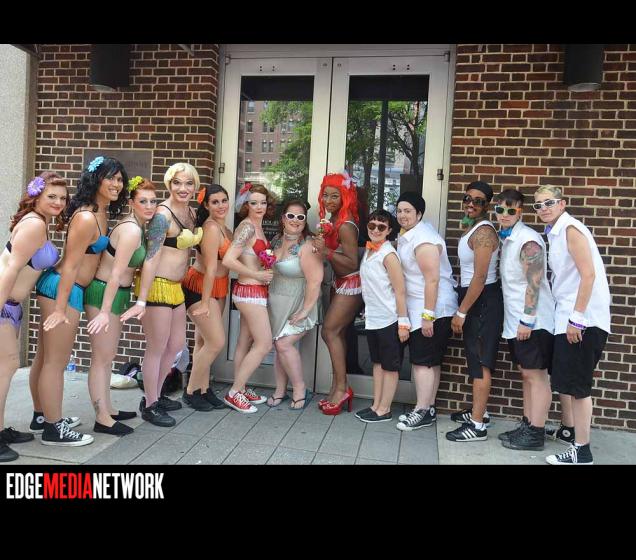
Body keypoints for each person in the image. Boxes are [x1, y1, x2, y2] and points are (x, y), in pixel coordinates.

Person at [30, 155, 128, 446]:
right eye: (110, 178)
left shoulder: (99, 212)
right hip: (63, 288)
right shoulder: (86, 217)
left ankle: (42, 416)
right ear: (95, 180)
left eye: (120, 179)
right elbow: (71, 265)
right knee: (55, 362)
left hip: (67, 288)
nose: (116, 184)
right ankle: (53, 428)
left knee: (45, 358)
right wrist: (61, 309)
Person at [121, 163, 203, 427]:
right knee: (156, 347)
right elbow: (151, 258)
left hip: (176, 287)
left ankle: (155, 395)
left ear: (195, 186)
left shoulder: (191, 212)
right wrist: (142, 300)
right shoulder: (161, 216)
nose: (183, 188)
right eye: (177, 182)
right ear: (169, 184)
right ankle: (150, 404)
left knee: (176, 345)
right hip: (157, 285)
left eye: (188, 183)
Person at [534, 185, 611, 465]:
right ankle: (572, 436)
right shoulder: (556, 232)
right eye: (538, 205)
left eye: (549, 203)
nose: (543, 208)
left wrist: (577, 318)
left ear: (562, 204)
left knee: (578, 387)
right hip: (568, 316)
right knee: (568, 382)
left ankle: (582, 451)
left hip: (582, 319)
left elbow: (588, 275)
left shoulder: (570, 229)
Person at [0, 173, 68, 461]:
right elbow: (10, 270)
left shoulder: (40, 222)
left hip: (12, 306)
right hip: (3, 304)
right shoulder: (34, 225)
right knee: (6, 367)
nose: (58, 202)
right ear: (36, 196)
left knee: (5, 368)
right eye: (51, 196)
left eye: (62, 198)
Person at [84, 177, 157, 436]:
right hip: (104, 292)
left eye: (153, 201)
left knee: (108, 356)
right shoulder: (131, 230)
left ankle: (108, 409)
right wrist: (104, 312)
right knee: (101, 358)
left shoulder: (140, 227)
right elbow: (115, 274)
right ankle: (102, 418)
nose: (149, 206)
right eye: (143, 201)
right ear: (131, 203)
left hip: (117, 295)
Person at [493, 189, 555, 451]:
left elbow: (535, 282)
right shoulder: (508, 238)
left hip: (533, 321)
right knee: (526, 374)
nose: (504, 215)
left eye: (511, 210)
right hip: (515, 320)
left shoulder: (528, 240)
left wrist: (527, 320)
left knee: (536, 376)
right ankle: (528, 424)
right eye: (500, 209)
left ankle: (536, 433)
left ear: (520, 212)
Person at [393, 192, 458, 431]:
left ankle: (421, 410)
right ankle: (427, 408)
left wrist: (428, 316)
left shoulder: (424, 240)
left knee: (423, 362)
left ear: (419, 214)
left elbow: (432, 280)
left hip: (431, 309)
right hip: (422, 307)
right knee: (430, 362)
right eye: (400, 210)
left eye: (408, 211)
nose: (403, 215)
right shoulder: (411, 234)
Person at [446, 180, 503, 443]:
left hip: (482, 301)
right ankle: (481, 412)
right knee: (475, 358)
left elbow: (480, 277)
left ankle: (477, 426)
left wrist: (462, 312)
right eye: (467, 198)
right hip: (474, 298)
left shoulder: (484, 233)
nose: (471, 204)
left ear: (487, 205)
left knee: (481, 362)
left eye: (478, 201)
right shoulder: (473, 228)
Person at [221, 183, 276, 413]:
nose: (259, 207)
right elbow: (228, 260)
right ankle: (234, 393)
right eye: (254, 203)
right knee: (264, 344)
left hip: (254, 291)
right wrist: (257, 274)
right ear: (246, 205)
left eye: (263, 202)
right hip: (249, 292)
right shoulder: (247, 227)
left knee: (245, 341)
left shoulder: (257, 226)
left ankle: (240, 388)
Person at [312, 171, 361, 415]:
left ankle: (342, 389)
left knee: (329, 331)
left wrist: (326, 252)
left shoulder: (346, 225)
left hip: (351, 283)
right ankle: (337, 388)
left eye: (335, 196)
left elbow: (352, 263)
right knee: (337, 333)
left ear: (345, 197)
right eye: (326, 195)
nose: (329, 200)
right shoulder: (333, 220)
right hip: (339, 282)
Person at [181, 184, 232, 411]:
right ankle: (191, 391)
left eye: (224, 200)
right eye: (215, 202)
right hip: (201, 287)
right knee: (216, 342)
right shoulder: (210, 228)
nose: (221, 206)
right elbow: (211, 268)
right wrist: (204, 303)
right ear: (206, 205)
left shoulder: (225, 228)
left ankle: (204, 389)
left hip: (219, 287)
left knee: (203, 341)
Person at [267, 199, 322, 410]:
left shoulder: (307, 245)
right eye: (291, 216)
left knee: (284, 344)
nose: (295, 220)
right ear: (283, 218)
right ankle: (280, 390)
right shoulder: (276, 241)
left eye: (300, 217)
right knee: (278, 345)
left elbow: (315, 281)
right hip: (276, 302)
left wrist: (305, 310)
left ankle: (300, 389)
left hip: (299, 303)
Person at [355, 209, 409, 422]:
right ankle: (376, 404)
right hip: (373, 317)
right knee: (377, 363)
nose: (376, 230)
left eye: (381, 226)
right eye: (372, 225)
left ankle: (385, 409)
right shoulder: (369, 251)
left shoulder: (388, 254)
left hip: (389, 318)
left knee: (389, 366)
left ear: (389, 230)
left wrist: (403, 323)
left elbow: (400, 290)